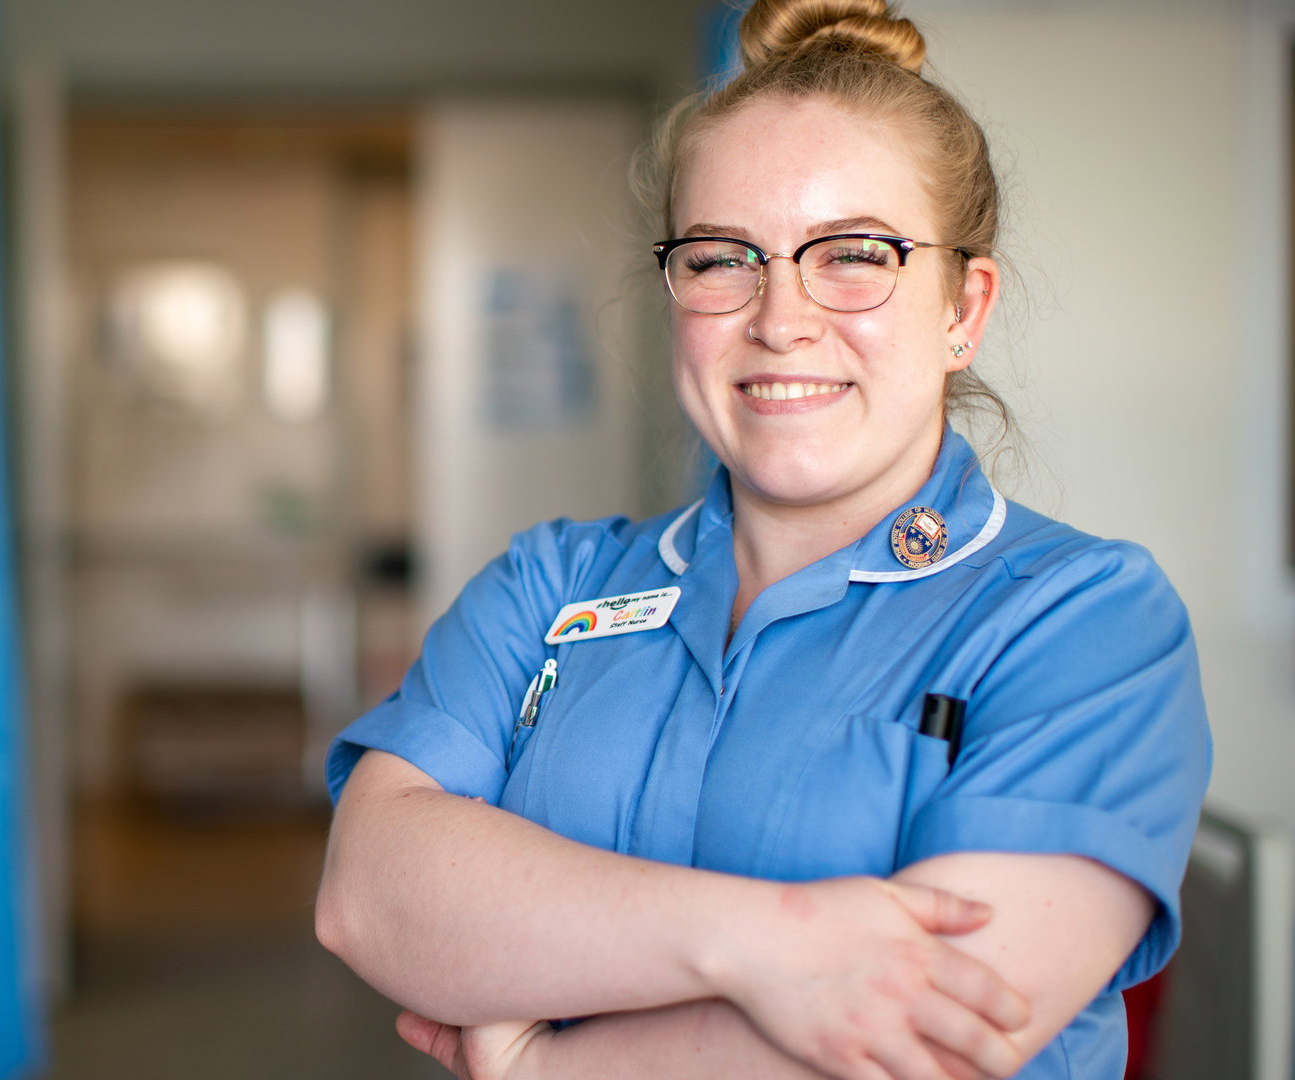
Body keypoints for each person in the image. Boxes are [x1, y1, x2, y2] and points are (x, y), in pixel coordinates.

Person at [313, 1, 1214, 1078]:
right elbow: (367, 895)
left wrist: (541, 1070)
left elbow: (945, 1030)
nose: (780, 319)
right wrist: (768, 942)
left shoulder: (1086, 620)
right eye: (720, 259)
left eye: (855, 254)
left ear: (963, 309)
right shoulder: (549, 583)